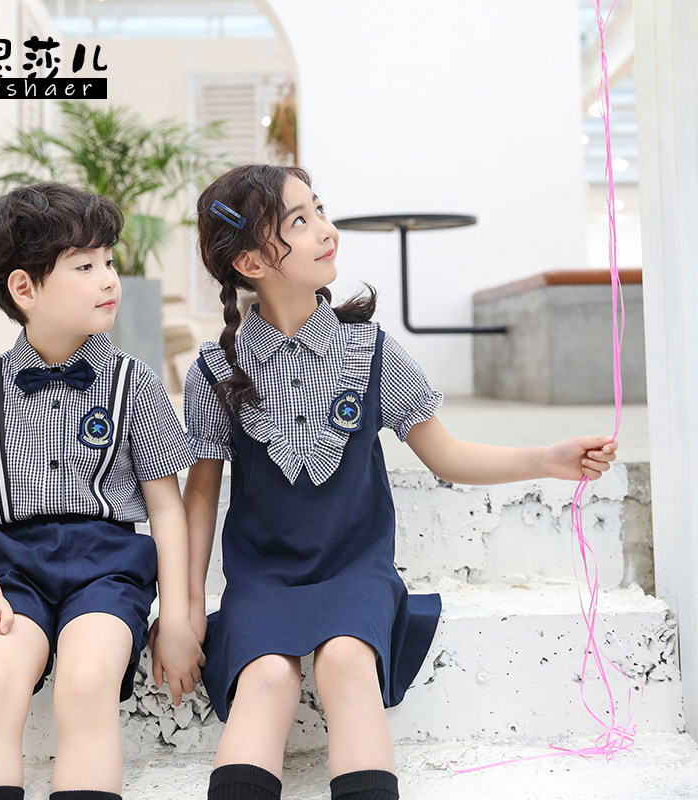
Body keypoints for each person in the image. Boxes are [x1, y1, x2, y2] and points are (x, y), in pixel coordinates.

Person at [172, 164, 617, 800]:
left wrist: (546, 458)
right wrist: (186, 609)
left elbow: (448, 455)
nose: (325, 229)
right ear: (250, 262)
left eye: (320, 210)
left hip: (355, 569)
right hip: (263, 579)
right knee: (265, 677)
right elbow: (200, 497)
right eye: (299, 221)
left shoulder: (372, 349)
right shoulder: (218, 368)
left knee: (348, 661)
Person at [0, 182, 204, 800]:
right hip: (13, 567)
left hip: (107, 566)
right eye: (85, 267)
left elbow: (167, 508)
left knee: (86, 681)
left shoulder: (134, 381)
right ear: (25, 289)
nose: (109, 278)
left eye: (108, 261)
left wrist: (176, 617)